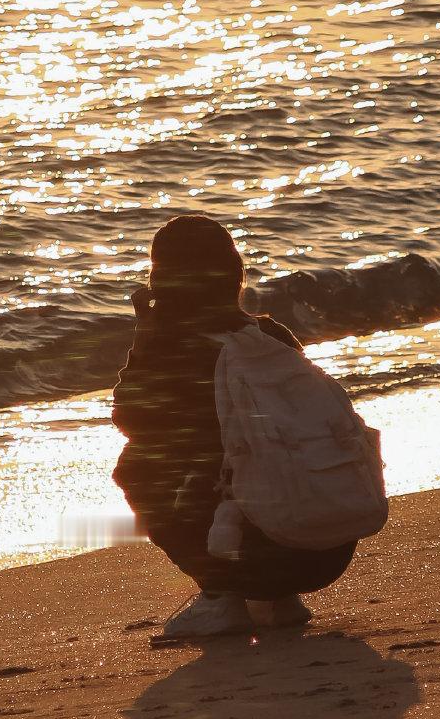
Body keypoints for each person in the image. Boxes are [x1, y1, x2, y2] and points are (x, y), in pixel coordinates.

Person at [112, 214, 358, 639]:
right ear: (234, 272)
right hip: (329, 542)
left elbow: (129, 416)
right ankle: (278, 600)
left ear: (163, 278)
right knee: (256, 454)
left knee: (136, 465)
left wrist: (147, 332)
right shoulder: (269, 334)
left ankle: (220, 595)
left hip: (265, 552)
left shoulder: (174, 343)